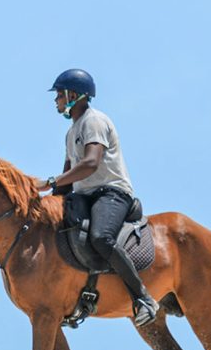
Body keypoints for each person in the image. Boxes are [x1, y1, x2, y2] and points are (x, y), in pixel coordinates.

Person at [35, 68, 159, 327]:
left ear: (73, 95)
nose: (56, 100)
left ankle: (144, 298)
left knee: (101, 237)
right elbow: (67, 179)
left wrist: (50, 181)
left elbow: (91, 163)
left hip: (112, 192)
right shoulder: (71, 132)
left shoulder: (94, 121)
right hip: (85, 196)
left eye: (59, 94)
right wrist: (40, 202)